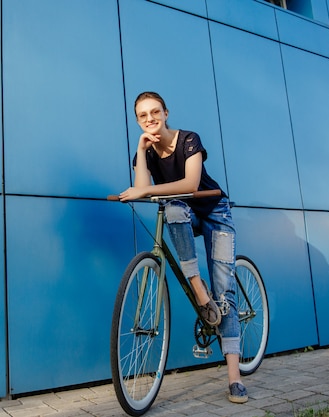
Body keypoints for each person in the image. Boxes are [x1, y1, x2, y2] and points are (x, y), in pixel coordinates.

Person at [118, 91, 248, 404]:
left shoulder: (189, 140)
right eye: (142, 115)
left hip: (215, 213)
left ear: (166, 112)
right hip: (184, 215)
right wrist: (140, 149)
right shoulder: (146, 150)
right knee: (174, 209)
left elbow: (190, 185)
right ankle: (196, 287)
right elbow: (140, 189)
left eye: (155, 112)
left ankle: (234, 377)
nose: (150, 119)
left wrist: (145, 190)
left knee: (224, 293)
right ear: (138, 120)